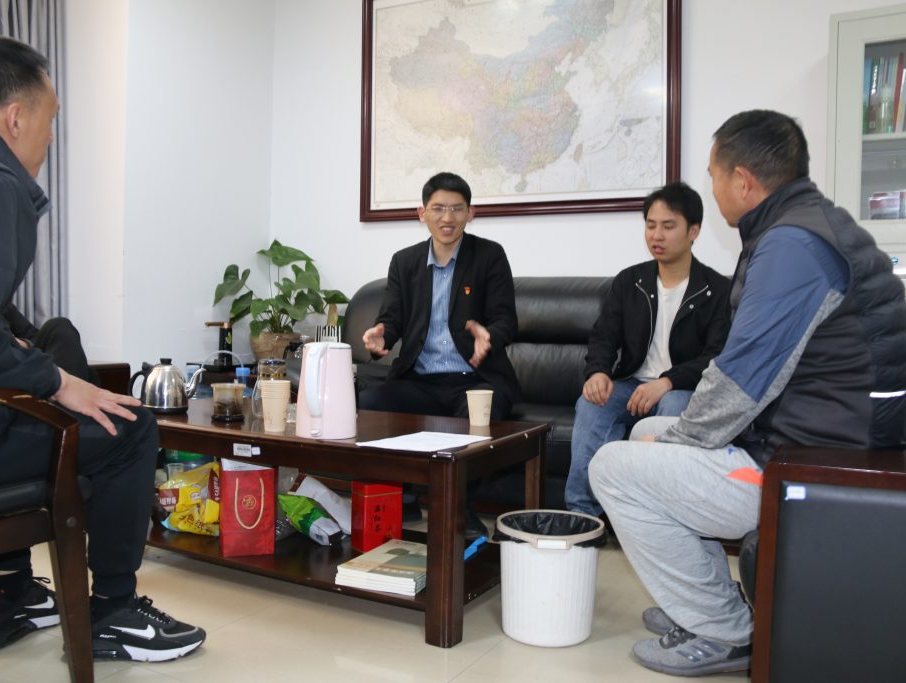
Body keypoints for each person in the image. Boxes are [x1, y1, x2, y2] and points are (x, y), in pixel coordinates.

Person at [0, 35, 205, 662]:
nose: (51, 137)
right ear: (15, 117)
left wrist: (36, 361)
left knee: (52, 349)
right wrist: (61, 384)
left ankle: (15, 592)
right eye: (51, 120)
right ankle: (113, 612)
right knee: (127, 428)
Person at [589, 110, 906, 677]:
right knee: (645, 431)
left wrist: (681, 442)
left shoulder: (792, 246)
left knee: (612, 466)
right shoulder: (805, 223)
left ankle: (726, 631)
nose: (712, 189)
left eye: (713, 175)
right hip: (814, 435)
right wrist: (676, 437)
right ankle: (709, 601)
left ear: (742, 180)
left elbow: (739, 381)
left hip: (815, 461)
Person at [359, 171, 522, 536]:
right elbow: (392, 318)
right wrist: (381, 333)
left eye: (456, 209)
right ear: (422, 213)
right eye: (438, 208)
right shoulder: (405, 262)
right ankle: (400, 497)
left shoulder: (489, 256)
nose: (447, 218)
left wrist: (489, 336)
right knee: (371, 402)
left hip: (476, 379)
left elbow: (506, 320)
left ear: (471, 213)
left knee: (478, 414)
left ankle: (458, 510)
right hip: (421, 381)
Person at [567, 181, 730, 517]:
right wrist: (598, 371)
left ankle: (654, 514)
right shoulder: (630, 282)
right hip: (631, 385)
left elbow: (716, 356)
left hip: (681, 388)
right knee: (591, 403)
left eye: (668, 226)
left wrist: (668, 381)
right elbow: (603, 336)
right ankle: (583, 516)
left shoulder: (716, 289)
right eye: (651, 225)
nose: (657, 235)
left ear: (693, 231)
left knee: (673, 405)